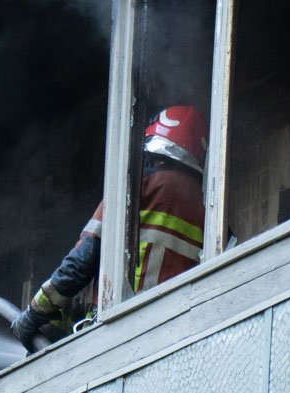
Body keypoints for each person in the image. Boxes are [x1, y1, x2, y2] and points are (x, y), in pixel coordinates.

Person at [11, 105, 209, 350]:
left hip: (121, 335)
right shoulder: (210, 210)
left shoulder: (135, 188)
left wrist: (33, 314)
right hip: (176, 339)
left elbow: (80, 263)